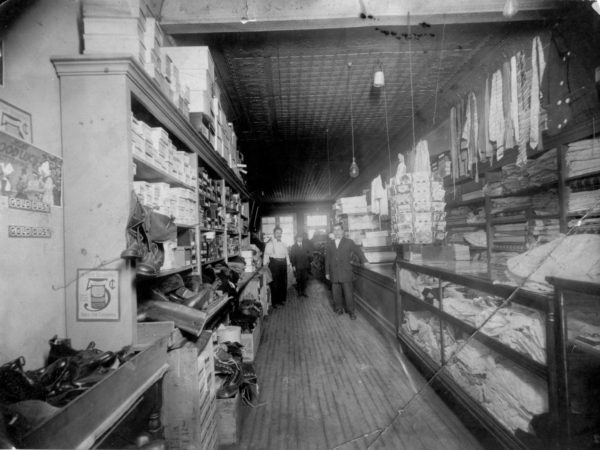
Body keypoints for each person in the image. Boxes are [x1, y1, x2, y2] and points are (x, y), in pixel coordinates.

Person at [325, 222, 367, 320]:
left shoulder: (349, 242)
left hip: (346, 272)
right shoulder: (329, 244)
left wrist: (364, 260)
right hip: (334, 272)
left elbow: (358, 251)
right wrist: (327, 272)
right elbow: (327, 259)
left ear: (343, 231)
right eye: (335, 230)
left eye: (339, 229)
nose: (337, 232)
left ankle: (351, 311)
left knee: (348, 293)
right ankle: (339, 308)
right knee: (336, 292)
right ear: (333, 232)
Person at [263, 226, 290, 308]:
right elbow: (266, 255)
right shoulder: (270, 244)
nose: (279, 234)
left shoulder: (284, 244)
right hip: (274, 264)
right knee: (275, 283)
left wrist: (288, 265)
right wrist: (265, 265)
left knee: (283, 283)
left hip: (283, 264)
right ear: (274, 233)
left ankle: (281, 300)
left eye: (280, 233)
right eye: (277, 233)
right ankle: (275, 302)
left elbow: (287, 255)